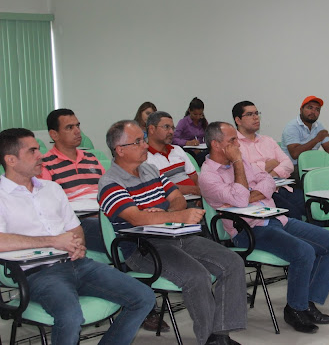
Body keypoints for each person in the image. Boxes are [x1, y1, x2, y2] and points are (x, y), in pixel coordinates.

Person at [0, 128, 156, 345]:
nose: (40, 155)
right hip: (37, 273)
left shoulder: (52, 189)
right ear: (11, 160)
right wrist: (53, 241)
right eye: (32, 151)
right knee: (70, 316)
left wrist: (78, 244)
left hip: (77, 263)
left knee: (144, 297)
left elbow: (74, 228)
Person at [98, 120, 247, 345]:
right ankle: (210, 339)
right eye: (138, 142)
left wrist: (167, 214)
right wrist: (176, 216)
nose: (145, 145)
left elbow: (177, 197)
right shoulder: (110, 182)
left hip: (176, 235)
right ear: (120, 150)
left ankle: (221, 334)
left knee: (232, 262)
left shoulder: (150, 169)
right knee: (197, 276)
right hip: (143, 248)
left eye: (143, 140)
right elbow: (136, 218)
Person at [200, 122, 329, 334]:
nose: (238, 144)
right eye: (232, 140)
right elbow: (240, 200)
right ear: (216, 144)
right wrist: (238, 165)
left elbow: (268, 180)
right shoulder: (208, 176)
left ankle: (307, 302)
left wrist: (251, 194)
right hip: (248, 230)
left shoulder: (242, 161)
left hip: (276, 218)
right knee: (304, 252)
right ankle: (295, 309)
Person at [40, 109, 105, 253]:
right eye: (70, 127)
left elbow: (108, 189)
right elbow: (49, 206)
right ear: (54, 134)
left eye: (77, 125)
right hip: (78, 222)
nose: (77, 131)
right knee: (112, 231)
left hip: (104, 213)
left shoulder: (91, 158)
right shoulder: (45, 164)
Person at [232, 101, 305, 220]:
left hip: (282, 188)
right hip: (260, 194)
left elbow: (288, 164)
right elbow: (246, 172)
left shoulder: (268, 140)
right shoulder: (234, 145)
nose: (256, 117)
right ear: (238, 120)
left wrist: (269, 175)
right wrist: (271, 164)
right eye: (250, 114)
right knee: (295, 215)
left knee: (314, 206)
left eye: (256, 113)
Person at [146, 111, 201, 205]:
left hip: (195, 200)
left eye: (172, 128)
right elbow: (156, 188)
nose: (171, 132)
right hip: (171, 206)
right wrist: (190, 189)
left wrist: (200, 197)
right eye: (166, 127)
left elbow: (194, 177)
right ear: (152, 129)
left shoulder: (177, 150)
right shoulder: (144, 158)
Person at [280, 96, 329, 182]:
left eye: (317, 109)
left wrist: (328, 164)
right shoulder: (292, 127)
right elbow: (295, 154)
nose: (313, 112)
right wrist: (317, 139)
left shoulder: (318, 125)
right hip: (293, 168)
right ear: (301, 110)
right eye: (310, 108)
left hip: (311, 166)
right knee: (318, 180)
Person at [174, 97, 209, 166]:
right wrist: (187, 142)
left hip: (201, 150)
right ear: (190, 111)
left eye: (200, 114)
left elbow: (207, 137)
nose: (198, 117)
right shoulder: (183, 122)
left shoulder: (203, 122)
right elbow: (174, 139)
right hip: (188, 151)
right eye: (195, 114)